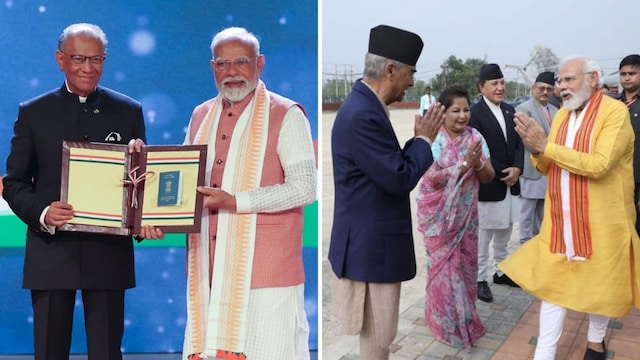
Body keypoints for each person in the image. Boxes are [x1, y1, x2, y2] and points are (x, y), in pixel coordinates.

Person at [2, 23, 162, 360]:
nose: (88, 68)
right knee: (49, 351)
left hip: (108, 254)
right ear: (60, 59)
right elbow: (14, 183)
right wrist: (44, 212)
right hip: (51, 250)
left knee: (106, 352)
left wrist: (143, 219)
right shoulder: (33, 112)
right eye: (78, 59)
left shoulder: (128, 111)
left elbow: (139, 181)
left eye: (97, 59)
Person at [181, 27, 316, 360]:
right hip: (210, 269)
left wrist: (237, 201)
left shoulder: (286, 114)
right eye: (223, 64)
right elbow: (185, 183)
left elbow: (305, 188)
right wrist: (153, 217)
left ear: (260, 63)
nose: (232, 73)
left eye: (241, 62)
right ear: (213, 67)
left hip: (268, 274)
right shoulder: (200, 115)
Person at [501, 55, 640, 360]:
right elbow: (550, 164)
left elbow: (599, 165)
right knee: (554, 288)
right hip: (561, 219)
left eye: (568, 79)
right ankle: (545, 353)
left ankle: (595, 341)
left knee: (602, 283)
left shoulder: (614, 113)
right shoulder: (563, 116)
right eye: (559, 81)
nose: (560, 86)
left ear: (592, 79)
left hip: (603, 220)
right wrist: (536, 149)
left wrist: (545, 146)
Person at [328, 24, 443, 360]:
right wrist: (423, 140)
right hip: (371, 248)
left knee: (377, 340)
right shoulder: (363, 114)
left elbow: (386, 167)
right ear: (390, 69)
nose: (411, 82)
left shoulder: (366, 106)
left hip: (370, 245)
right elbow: (398, 177)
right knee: (377, 340)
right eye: (410, 73)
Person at [416, 85, 495, 348]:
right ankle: (442, 320)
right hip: (439, 221)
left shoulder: (476, 138)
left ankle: (464, 319)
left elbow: (489, 176)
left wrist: (478, 164)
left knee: (465, 271)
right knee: (442, 272)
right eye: (455, 111)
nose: (462, 116)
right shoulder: (433, 140)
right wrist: (462, 166)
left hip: (467, 219)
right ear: (443, 111)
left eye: (466, 110)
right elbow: (430, 179)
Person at [469, 63, 524, 303]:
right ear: (482, 87)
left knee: (505, 229)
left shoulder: (510, 110)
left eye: (502, 83)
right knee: (485, 233)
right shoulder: (474, 113)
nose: (500, 88)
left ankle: (501, 271)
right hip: (490, 183)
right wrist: (505, 171)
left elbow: (520, 143)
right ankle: (480, 278)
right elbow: (481, 149)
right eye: (495, 84)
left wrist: (518, 168)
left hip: (511, 182)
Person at [515, 72, 558, 244]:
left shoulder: (556, 110)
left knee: (543, 212)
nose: (545, 92)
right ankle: (525, 244)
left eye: (549, 89)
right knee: (527, 212)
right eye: (541, 88)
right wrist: (545, 147)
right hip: (531, 167)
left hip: (550, 169)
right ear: (533, 88)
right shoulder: (524, 109)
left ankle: (540, 243)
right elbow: (524, 138)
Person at [616, 54, 640, 235]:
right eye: (623, 74)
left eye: (632, 73)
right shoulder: (612, 104)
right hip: (616, 179)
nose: (627, 77)